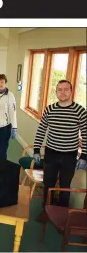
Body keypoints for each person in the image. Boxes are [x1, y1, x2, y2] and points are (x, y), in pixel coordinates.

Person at [33, 80, 86, 209]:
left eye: (66, 89)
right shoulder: (50, 109)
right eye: (59, 89)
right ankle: (46, 209)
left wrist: (84, 156)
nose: (63, 92)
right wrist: (36, 149)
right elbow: (41, 130)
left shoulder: (80, 111)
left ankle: (61, 213)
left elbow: (85, 133)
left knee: (65, 186)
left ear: (71, 91)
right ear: (56, 92)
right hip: (51, 153)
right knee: (48, 183)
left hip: (69, 156)